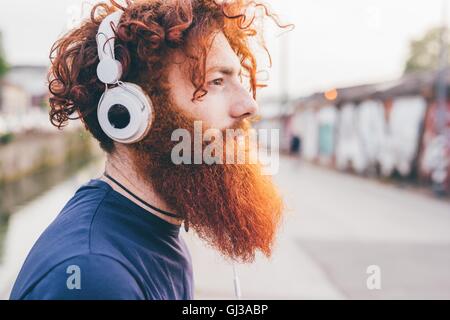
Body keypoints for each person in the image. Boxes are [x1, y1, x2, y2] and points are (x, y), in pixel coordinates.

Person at [10, 0, 286, 300]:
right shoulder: (93, 276)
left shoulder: (157, 228)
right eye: (216, 81)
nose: (249, 105)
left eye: (238, 80)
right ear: (129, 114)